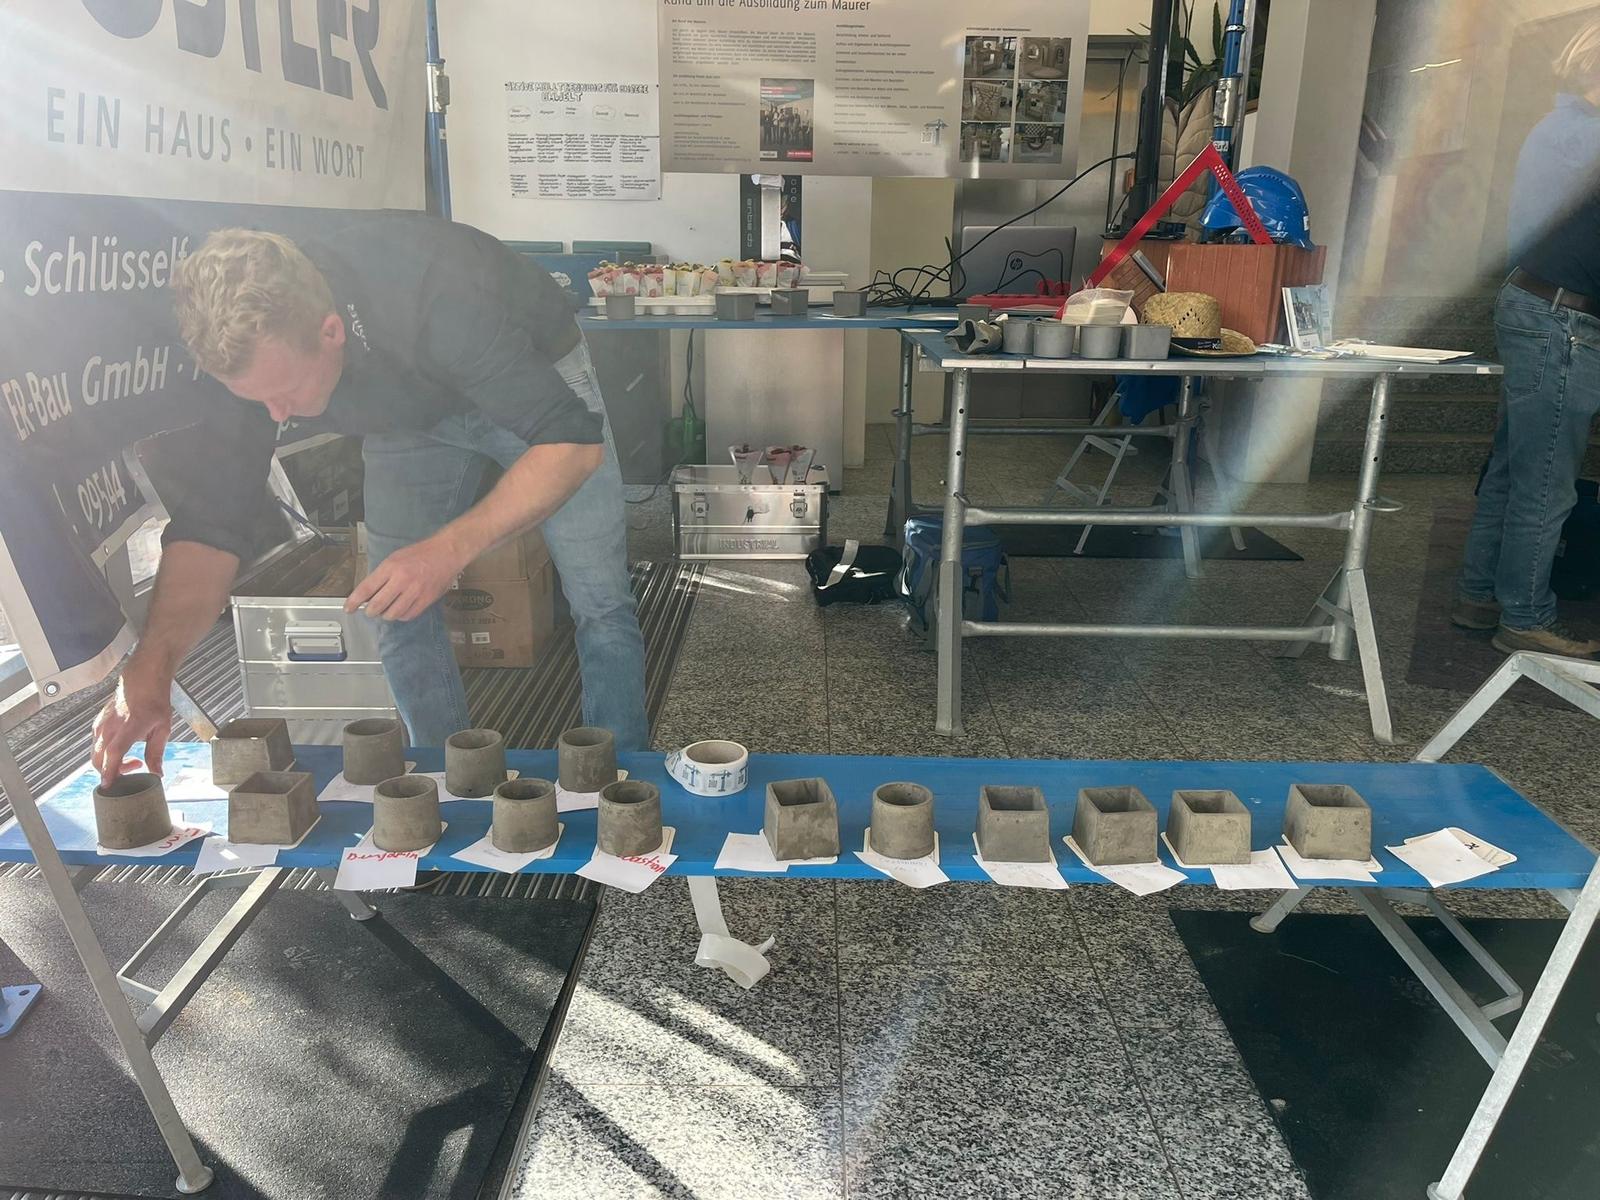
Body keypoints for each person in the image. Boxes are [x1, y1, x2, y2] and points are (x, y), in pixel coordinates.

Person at [91, 215, 649, 781]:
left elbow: (572, 447)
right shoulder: (259, 358)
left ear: (331, 331)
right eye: (258, 400)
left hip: (535, 376)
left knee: (599, 600)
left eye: (285, 393)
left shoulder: (433, 296)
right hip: (407, 416)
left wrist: (446, 551)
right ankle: (446, 783)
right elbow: (212, 524)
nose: (275, 416)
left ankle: (620, 783)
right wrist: (150, 669)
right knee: (395, 606)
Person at [1453, 22, 1600, 658]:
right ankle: (1525, 616)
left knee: (1516, 468)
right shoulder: (1584, 135)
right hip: (1561, 320)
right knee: (1546, 480)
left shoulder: (1561, 128)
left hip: (1539, 306)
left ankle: (1479, 594)